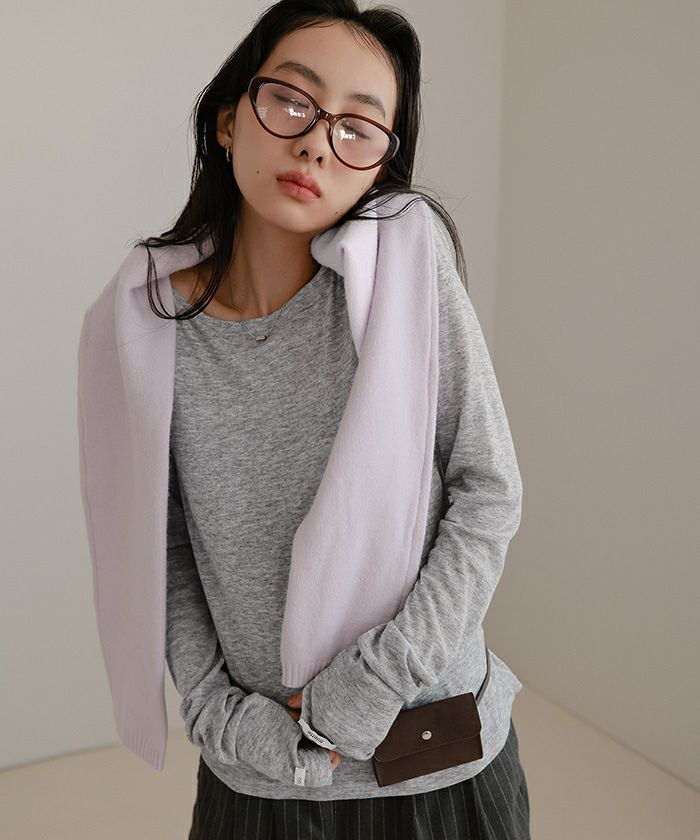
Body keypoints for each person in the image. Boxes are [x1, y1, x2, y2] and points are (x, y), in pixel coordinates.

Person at [130, 0, 532, 836]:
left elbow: (487, 491)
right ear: (229, 118)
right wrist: (214, 713)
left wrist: (368, 686)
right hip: (255, 778)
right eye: (292, 100)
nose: (317, 142)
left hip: (431, 767)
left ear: (380, 164)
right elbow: (160, 542)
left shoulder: (404, 270)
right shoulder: (150, 321)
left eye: (358, 126)